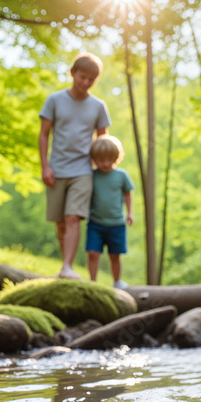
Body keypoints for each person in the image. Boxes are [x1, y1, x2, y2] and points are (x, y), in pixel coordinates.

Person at [39, 53, 112, 279]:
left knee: (73, 217)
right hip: (57, 168)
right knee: (61, 222)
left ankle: (67, 267)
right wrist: (45, 167)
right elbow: (43, 134)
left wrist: (103, 171)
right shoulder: (54, 100)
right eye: (83, 77)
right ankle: (65, 266)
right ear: (73, 73)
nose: (86, 83)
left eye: (91, 79)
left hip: (83, 170)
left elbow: (103, 142)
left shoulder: (99, 107)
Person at [86, 134, 134, 289]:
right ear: (94, 159)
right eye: (101, 160)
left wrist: (130, 213)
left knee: (115, 255)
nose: (106, 164)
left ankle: (117, 281)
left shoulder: (121, 175)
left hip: (116, 223)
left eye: (109, 159)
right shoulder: (92, 176)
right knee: (93, 253)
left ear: (116, 157)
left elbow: (127, 194)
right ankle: (93, 282)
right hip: (95, 223)